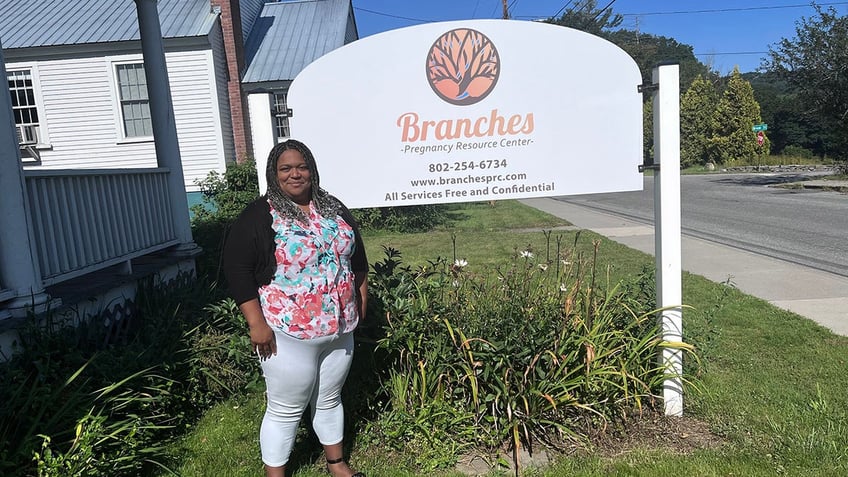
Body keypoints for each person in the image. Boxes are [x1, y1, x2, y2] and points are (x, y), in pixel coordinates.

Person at [223, 139, 367, 477]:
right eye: (286, 168)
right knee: (284, 410)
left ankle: (337, 463)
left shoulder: (333, 207)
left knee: (330, 399)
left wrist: (361, 299)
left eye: (301, 166)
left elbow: (357, 258)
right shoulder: (261, 215)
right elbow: (237, 269)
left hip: (338, 330)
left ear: (312, 170)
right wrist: (255, 323)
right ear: (275, 173)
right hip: (287, 333)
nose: (295, 174)